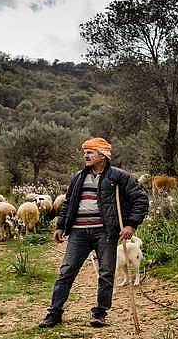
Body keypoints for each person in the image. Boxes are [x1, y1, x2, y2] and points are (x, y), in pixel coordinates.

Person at [38, 137, 149, 328]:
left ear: (103, 156)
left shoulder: (119, 177)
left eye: (90, 152)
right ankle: (54, 313)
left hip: (105, 232)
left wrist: (131, 224)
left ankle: (100, 313)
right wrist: (60, 226)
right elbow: (68, 204)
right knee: (66, 271)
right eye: (85, 152)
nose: (86, 156)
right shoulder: (78, 177)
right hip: (78, 233)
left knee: (106, 273)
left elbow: (140, 199)